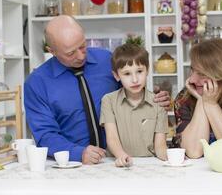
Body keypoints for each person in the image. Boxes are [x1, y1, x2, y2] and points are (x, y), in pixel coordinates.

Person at [24, 15, 170, 165]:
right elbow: (45, 135)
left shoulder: (107, 60)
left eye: (82, 46)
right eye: (70, 53)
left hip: (120, 159)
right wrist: (78, 153)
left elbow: (131, 96)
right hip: (72, 164)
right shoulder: (36, 83)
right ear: (52, 51)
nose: (81, 56)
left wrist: (155, 99)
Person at [100, 44, 168, 167]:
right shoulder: (108, 101)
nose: (135, 79)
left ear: (147, 70)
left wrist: (171, 157)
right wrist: (121, 155)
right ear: (116, 76)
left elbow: (160, 146)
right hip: (118, 164)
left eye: (139, 71)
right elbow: (112, 138)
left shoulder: (159, 102)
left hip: (149, 166)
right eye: (127, 74)